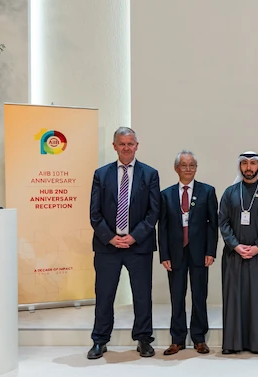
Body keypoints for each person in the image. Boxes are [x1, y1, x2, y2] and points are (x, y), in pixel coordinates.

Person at [87, 127, 161, 360]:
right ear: (114, 146)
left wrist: (134, 236)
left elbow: (153, 212)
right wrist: (110, 237)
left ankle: (143, 339)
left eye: (130, 143)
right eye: (122, 144)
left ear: (137, 146)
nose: (126, 148)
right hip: (107, 246)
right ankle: (100, 340)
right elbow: (94, 213)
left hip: (139, 246)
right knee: (104, 295)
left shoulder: (150, 174)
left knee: (142, 295)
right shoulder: (101, 174)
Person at [156, 150, 219, 355]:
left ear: (196, 168)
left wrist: (211, 251)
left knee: (199, 295)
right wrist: (164, 254)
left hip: (200, 252)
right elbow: (162, 227)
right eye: (184, 165)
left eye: (192, 165)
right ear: (176, 168)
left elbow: (213, 225)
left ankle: (199, 338)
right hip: (175, 253)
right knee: (177, 296)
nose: (188, 169)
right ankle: (177, 339)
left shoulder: (207, 191)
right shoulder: (166, 195)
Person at [218, 151, 258, 355]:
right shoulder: (230, 193)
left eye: (253, 163)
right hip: (234, 256)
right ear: (240, 167)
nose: (248, 167)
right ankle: (233, 343)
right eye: (244, 163)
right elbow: (223, 222)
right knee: (235, 300)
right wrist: (236, 245)